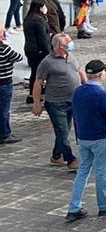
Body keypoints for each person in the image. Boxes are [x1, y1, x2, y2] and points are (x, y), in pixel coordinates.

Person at [64, 60, 106, 222]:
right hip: (100, 137)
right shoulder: (102, 94)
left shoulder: (78, 91)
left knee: (83, 171)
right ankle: (105, 205)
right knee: (103, 171)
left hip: (83, 137)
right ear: (101, 74)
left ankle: (74, 206)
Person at [32, 33, 83, 169]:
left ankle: (56, 156)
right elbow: (38, 83)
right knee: (62, 131)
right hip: (56, 103)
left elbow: (79, 71)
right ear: (60, 46)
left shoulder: (70, 56)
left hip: (73, 101)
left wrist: (87, 85)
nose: (71, 45)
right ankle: (70, 159)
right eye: (68, 43)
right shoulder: (47, 62)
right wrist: (37, 103)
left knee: (65, 131)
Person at [22, 0, 52, 105]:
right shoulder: (39, 20)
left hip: (30, 49)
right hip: (39, 50)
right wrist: (49, 52)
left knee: (34, 72)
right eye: (44, 6)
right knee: (40, 73)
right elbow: (43, 38)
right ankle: (38, 94)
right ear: (40, 8)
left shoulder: (28, 18)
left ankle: (32, 94)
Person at [0, 27, 23, 143]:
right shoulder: (4, 49)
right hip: (4, 83)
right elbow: (18, 57)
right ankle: (5, 134)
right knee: (4, 109)